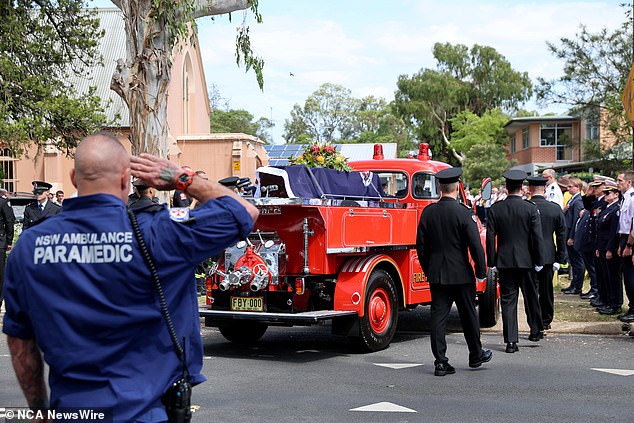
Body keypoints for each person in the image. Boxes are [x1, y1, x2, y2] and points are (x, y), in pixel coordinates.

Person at [2, 132, 259, 421]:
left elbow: (20, 340)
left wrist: (39, 411)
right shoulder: (159, 230)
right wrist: (182, 178)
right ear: (126, 179)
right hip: (148, 412)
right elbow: (244, 211)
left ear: (74, 178)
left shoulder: (30, 246)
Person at [416, 167, 491, 376]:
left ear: (440, 188)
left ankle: (440, 361)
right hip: (461, 273)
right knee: (468, 315)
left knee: (438, 317)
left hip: (437, 273)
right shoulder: (464, 212)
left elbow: (420, 246)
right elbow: (475, 245)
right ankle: (475, 355)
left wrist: (428, 268)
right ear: (457, 187)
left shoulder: (428, 212)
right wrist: (481, 271)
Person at [486, 169, 544, 353]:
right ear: (522, 187)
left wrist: (492, 261)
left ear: (507, 187)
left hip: (505, 261)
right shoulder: (530, 208)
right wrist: (539, 259)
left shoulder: (496, 208)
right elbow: (537, 237)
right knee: (531, 297)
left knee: (508, 301)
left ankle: (511, 341)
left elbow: (490, 237)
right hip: (526, 260)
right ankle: (535, 330)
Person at [527, 176, 566, 331]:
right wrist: (560, 257)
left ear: (530, 189)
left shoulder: (526, 207)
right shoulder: (554, 208)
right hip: (548, 254)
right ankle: (545, 319)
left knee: (532, 290)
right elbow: (562, 233)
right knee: (546, 290)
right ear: (544, 189)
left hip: (529, 255)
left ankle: (535, 321)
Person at [595, 181, 622, 315]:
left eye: (608, 193)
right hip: (603, 246)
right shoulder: (607, 208)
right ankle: (609, 301)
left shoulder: (616, 209)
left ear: (616, 194)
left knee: (613, 277)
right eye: (604, 193)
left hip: (609, 247)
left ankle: (615, 304)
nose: (605, 195)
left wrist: (610, 249)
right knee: (606, 276)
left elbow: (613, 233)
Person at [562, 177, 585, 294]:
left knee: (577, 261)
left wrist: (572, 237)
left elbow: (576, 221)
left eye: (571, 186)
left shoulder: (578, 201)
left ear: (578, 188)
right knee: (573, 261)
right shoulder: (572, 199)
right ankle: (574, 284)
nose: (568, 188)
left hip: (572, 235)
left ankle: (577, 286)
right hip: (568, 233)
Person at [0, 190, 14, 308]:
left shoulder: (3, 203)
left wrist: (9, 240)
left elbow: (9, 221)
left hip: (0, 241)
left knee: (0, 271)